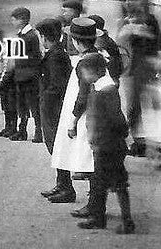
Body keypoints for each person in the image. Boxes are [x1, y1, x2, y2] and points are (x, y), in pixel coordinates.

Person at [70, 53, 135, 234]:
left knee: (107, 184)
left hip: (107, 146)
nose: (83, 77)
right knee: (109, 183)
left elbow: (117, 119)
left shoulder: (104, 91)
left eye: (84, 73)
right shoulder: (101, 88)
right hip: (106, 145)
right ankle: (113, 219)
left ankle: (106, 220)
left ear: (94, 72)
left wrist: (116, 137)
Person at [52, 18, 101, 195]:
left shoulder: (85, 63)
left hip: (83, 116)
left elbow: (83, 94)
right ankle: (90, 200)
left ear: (76, 41)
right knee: (85, 155)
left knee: (86, 156)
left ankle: (93, 204)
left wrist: (73, 120)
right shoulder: (95, 57)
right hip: (90, 113)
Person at [116, 0, 161, 157]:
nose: (128, 3)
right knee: (133, 106)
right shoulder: (124, 21)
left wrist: (144, 33)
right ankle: (138, 141)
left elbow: (159, 44)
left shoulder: (150, 20)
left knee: (151, 105)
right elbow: (118, 46)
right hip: (129, 70)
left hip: (147, 67)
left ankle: (155, 141)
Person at [36, 18, 76, 203]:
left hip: (54, 109)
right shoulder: (56, 52)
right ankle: (62, 184)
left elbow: (56, 85)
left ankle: (66, 188)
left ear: (44, 37)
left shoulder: (55, 55)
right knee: (55, 146)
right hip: (54, 107)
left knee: (56, 146)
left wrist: (44, 100)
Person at [8, 7, 43, 143]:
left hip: (29, 75)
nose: (12, 22)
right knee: (21, 105)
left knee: (33, 105)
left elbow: (33, 57)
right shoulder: (23, 34)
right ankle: (22, 130)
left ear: (22, 20)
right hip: (22, 75)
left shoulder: (30, 36)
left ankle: (38, 131)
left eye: (14, 20)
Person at [0, 28, 18, 138]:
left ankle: (13, 127)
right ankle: (7, 126)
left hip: (8, 79)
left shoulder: (6, 48)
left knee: (11, 104)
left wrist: (3, 79)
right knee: (4, 105)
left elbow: (8, 66)